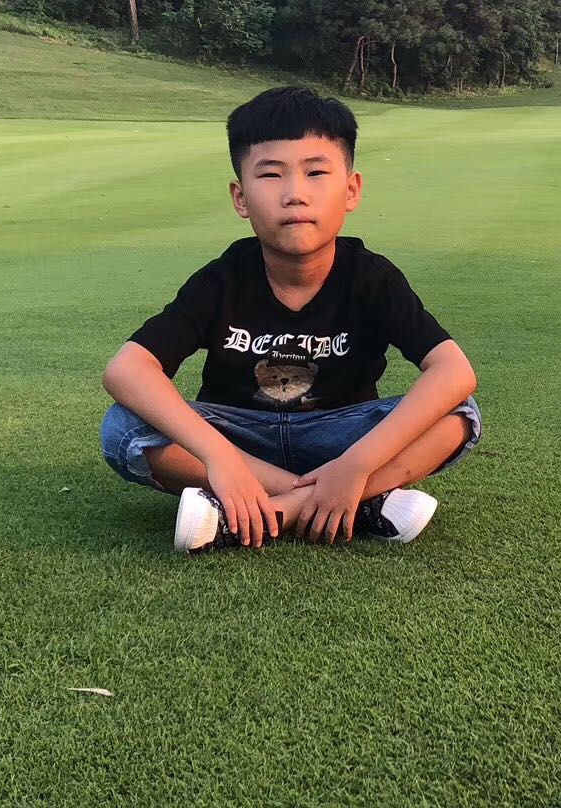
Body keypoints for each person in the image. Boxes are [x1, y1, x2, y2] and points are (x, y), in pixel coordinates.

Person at [98, 86, 481, 550]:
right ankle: (355, 502)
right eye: (271, 174)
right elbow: (127, 369)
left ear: (351, 190)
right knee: (124, 427)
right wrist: (222, 460)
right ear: (240, 197)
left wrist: (355, 465)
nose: (295, 194)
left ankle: (272, 511)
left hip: (339, 437)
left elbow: (454, 372)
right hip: (241, 438)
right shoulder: (222, 280)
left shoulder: (370, 278)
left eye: (316, 172)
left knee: (460, 413)